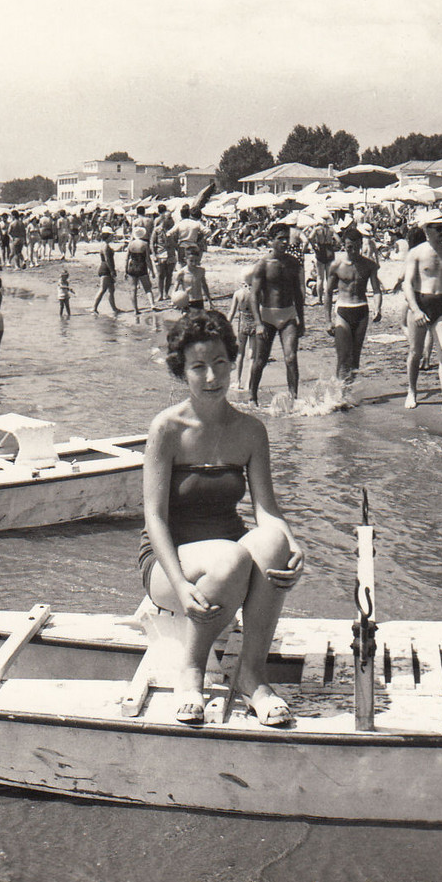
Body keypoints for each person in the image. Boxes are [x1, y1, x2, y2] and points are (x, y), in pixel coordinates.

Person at [141, 310, 304, 726]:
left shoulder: (250, 431)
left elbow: (267, 510)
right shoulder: (167, 429)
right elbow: (155, 518)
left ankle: (253, 675)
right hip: (169, 561)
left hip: (230, 553)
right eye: (198, 367)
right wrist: (179, 584)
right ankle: (192, 672)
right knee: (231, 558)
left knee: (272, 544)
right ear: (182, 371)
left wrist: (292, 544)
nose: (211, 377)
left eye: (219, 364)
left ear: (233, 362)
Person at [402, 212, 442, 412]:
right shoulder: (416, 253)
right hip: (421, 302)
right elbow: (407, 284)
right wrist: (416, 310)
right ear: (426, 229)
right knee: (415, 352)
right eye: (438, 228)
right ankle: (412, 391)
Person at [245, 223, 307, 403]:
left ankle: (293, 398)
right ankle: (252, 396)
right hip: (267, 316)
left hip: (288, 315)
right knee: (260, 360)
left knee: (291, 357)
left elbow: (298, 294)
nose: (285, 242)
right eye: (280, 239)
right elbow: (254, 296)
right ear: (271, 241)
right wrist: (257, 323)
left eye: (287, 238)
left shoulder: (293, 263)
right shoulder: (263, 265)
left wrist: (301, 320)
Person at [324, 225, 383, 383]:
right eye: (350, 247)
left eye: (357, 247)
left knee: (355, 357)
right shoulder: (336, 266)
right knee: (343, 356)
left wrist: (378, 308)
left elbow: (376, 290)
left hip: (361, 310)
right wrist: (328, 320)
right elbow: (328, 293)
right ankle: (339, 394)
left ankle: (347, 392)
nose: (353, 251)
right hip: (343, 310)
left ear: (361, 245)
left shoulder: (369, 265)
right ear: (344, 245)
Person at [226, 278, 259, 384]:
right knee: (252, 354)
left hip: (243, 325)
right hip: (254, 324)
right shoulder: (257, 294)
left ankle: (238, 381)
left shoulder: (238, 294)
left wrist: (226, 325)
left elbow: (232, 312)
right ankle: (249, 382)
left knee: (240, 353)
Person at [123, 226, 153, 314]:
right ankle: (152, 305)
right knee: (147, 287)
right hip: (142, 266)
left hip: (132, 266)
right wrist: (152, 270)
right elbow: (148, 259)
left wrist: (125, 271)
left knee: (133, 289)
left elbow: (127, 258)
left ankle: (135, 310)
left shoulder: (130, 244)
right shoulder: (145, 244)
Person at [92, 230, 121, 315]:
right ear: (107, 237)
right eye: (111, 236)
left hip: (106, 268)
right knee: (103, 289)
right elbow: (108, 259)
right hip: (106, 269)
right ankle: (94, 308)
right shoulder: (105, 246)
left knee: (111, 290)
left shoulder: (105, 246)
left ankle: (114, 308)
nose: (112, 237)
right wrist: (112, 271)